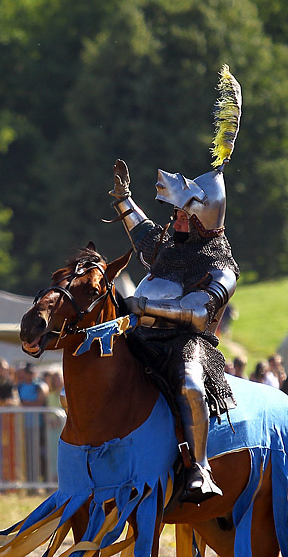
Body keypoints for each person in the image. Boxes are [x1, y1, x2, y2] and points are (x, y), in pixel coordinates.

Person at [108, 157, 239, 503]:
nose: (177, 219)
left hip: (186, 342)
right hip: (142, 333)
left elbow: (197, 313)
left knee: (191, 387)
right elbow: (144, 232)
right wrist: (124, 198)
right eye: (177, 214)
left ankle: (200, 468)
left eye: (184, 216)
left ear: (201, 221)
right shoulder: (171, 246)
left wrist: (143, 306)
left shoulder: (220, 265)